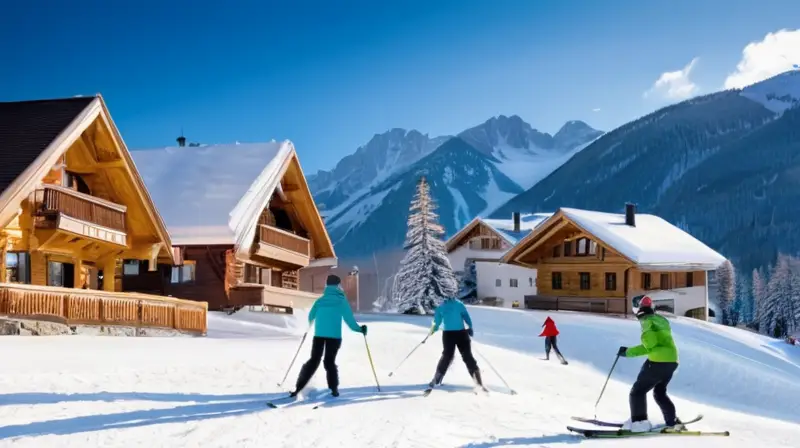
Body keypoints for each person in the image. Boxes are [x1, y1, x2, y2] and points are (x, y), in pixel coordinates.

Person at [292, 275, 367, 397]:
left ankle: (299, 387)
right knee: (329, 362)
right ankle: (334, 389)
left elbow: (311, 316)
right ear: (338, 285)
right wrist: (360, 330)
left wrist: (310, 326)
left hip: (319, 336)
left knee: (313, 360)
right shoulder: (341, 301)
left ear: (327, 285)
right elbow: (350, 321)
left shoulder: (320, 300)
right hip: (334, 337)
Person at [617, 295, 683, 433]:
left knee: (637, 392)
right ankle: (672, 422)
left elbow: (650, 345)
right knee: (659, 392)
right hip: (672, 360)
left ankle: (639, 423)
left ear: (637, 309)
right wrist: (629, 351)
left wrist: (628, 352)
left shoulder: (646, 321)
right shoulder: (659, 320)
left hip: (658, 361)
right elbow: (654, 345)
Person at [428, 297, 484, 388]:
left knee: (466, 356)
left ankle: (478, 382)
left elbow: (466, 316)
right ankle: (437, 379)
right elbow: (437, 321)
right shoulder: (443, 306)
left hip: (460, 334)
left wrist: (470, 326)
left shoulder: (458, 305)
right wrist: (433, 330)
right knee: (448, 356)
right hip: (450, 334)